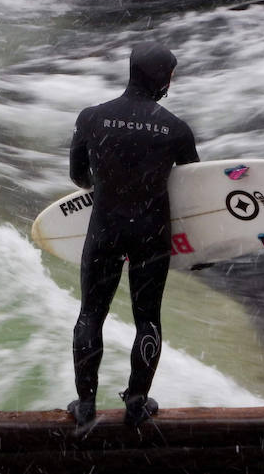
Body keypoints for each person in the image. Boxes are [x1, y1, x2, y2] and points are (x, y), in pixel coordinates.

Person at [67, 41, 199, 428]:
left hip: (105, 229)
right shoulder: (176, 128)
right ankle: (137, 404)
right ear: (162, 78)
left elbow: (78, 176)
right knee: (148, 319)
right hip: (151, 233)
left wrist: (108, 185)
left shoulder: (92, 118)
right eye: (170, 75)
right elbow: (195, 189)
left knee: (91, 314)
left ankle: (85, 405)